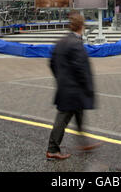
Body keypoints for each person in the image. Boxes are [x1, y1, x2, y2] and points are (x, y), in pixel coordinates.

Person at [46, 12, 99, 160]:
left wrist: (60, 79)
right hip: (73, 91)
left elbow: (51, 63)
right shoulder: (76, 44)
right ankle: (52, 149)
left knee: (79, 116)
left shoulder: (62, 42)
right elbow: (81, 69)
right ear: (82, 26)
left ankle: (84, 143)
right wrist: (88, 88)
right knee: (62, 120)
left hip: (66, 89)